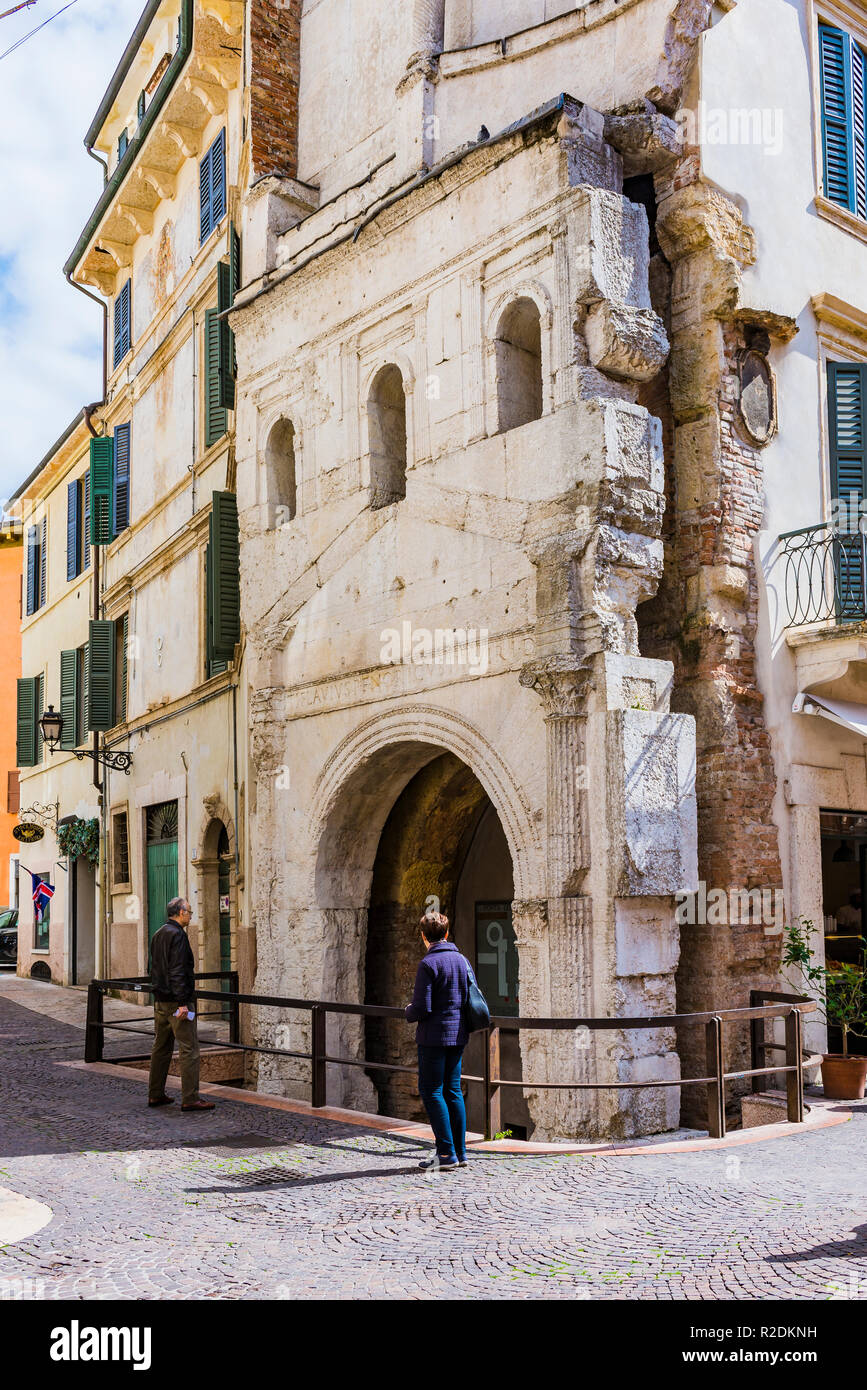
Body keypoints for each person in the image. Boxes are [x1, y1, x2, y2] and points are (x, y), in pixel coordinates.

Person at [405, 910, 469, 1170]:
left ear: (423, 937)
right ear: (446, 933)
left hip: (433, 1037)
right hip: (458, 1035)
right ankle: (461, 1152)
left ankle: (445, 1153)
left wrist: (408, 1011)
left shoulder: (428, 964)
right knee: (453, 1091)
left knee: (432, 1091)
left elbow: (422, 1007)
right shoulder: (461, 960)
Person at [147, 896, 215, 1113]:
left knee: (161, 1049)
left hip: (160, 1002)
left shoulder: (158, 934)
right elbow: (178, 971)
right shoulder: (178, 935)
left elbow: (154, 968)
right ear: (180, 913)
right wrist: (184, 1003)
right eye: (189, 912)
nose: (190, 915)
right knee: (189, 1049)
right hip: (177, 1004)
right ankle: (190, 1098)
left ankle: (155, 1094)